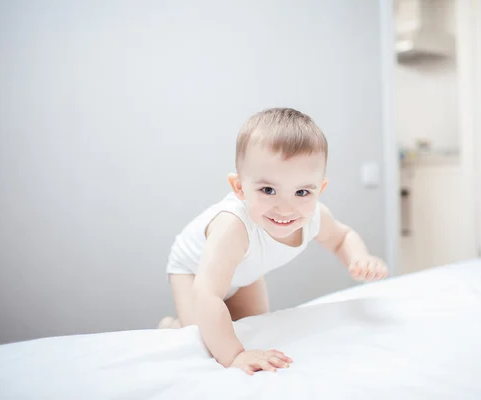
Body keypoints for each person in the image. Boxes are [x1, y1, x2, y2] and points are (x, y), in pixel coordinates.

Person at [158, 108, 388, 375]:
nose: (285, 208)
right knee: (203, 338)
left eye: (302, 192)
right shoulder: (233, 227)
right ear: (239, 187)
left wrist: (359, 257)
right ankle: (172, 326)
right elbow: (207, 294)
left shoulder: (314, 217)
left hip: (244, 267)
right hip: (195, 271)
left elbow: (341, 238)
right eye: (268, 190)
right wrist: (236, 356)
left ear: (319, 190)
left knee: (255, 325)